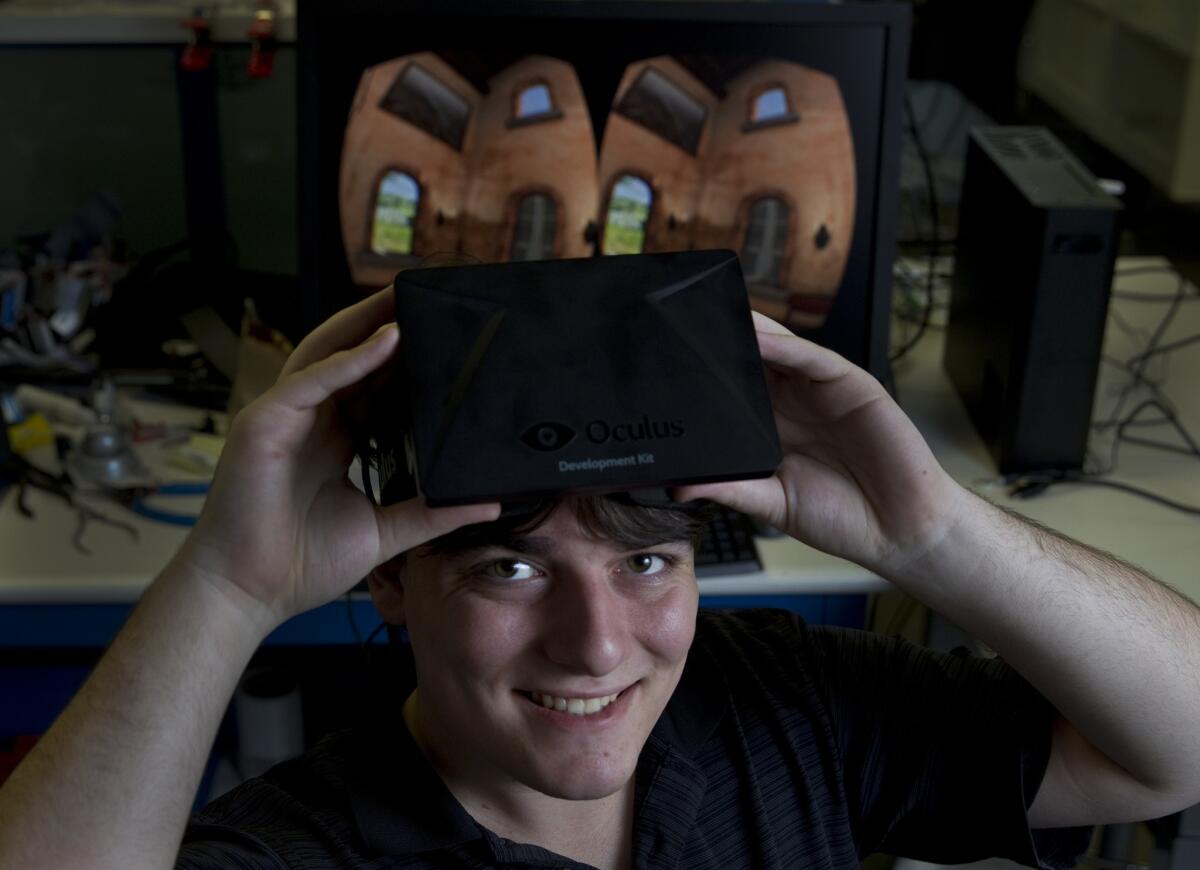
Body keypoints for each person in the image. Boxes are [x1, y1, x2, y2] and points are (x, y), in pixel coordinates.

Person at [1, 285, 1199, 870]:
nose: (597, 643)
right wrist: (224, 589)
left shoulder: (788, 709)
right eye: (512, 568)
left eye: (644, 561)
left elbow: (1175, 749)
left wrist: (933, 533)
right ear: (389, 582)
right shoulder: (311, 848)